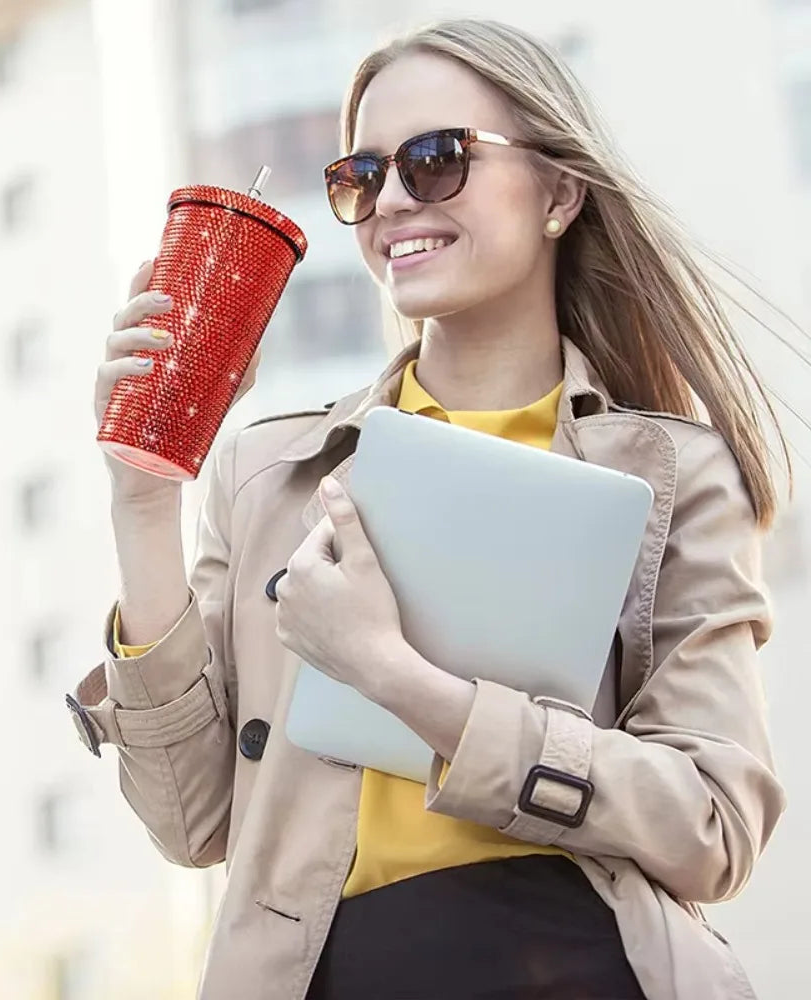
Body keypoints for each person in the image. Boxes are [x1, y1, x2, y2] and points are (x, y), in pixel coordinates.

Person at [67, 18, 789, 1000]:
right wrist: (144, 502)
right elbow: (188, 820)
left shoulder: (675, 476)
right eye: (363, 177)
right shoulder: (268, 474)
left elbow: (713, 826)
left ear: (559, 193)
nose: (393, 201)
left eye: (437, 160)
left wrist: (397, 679)